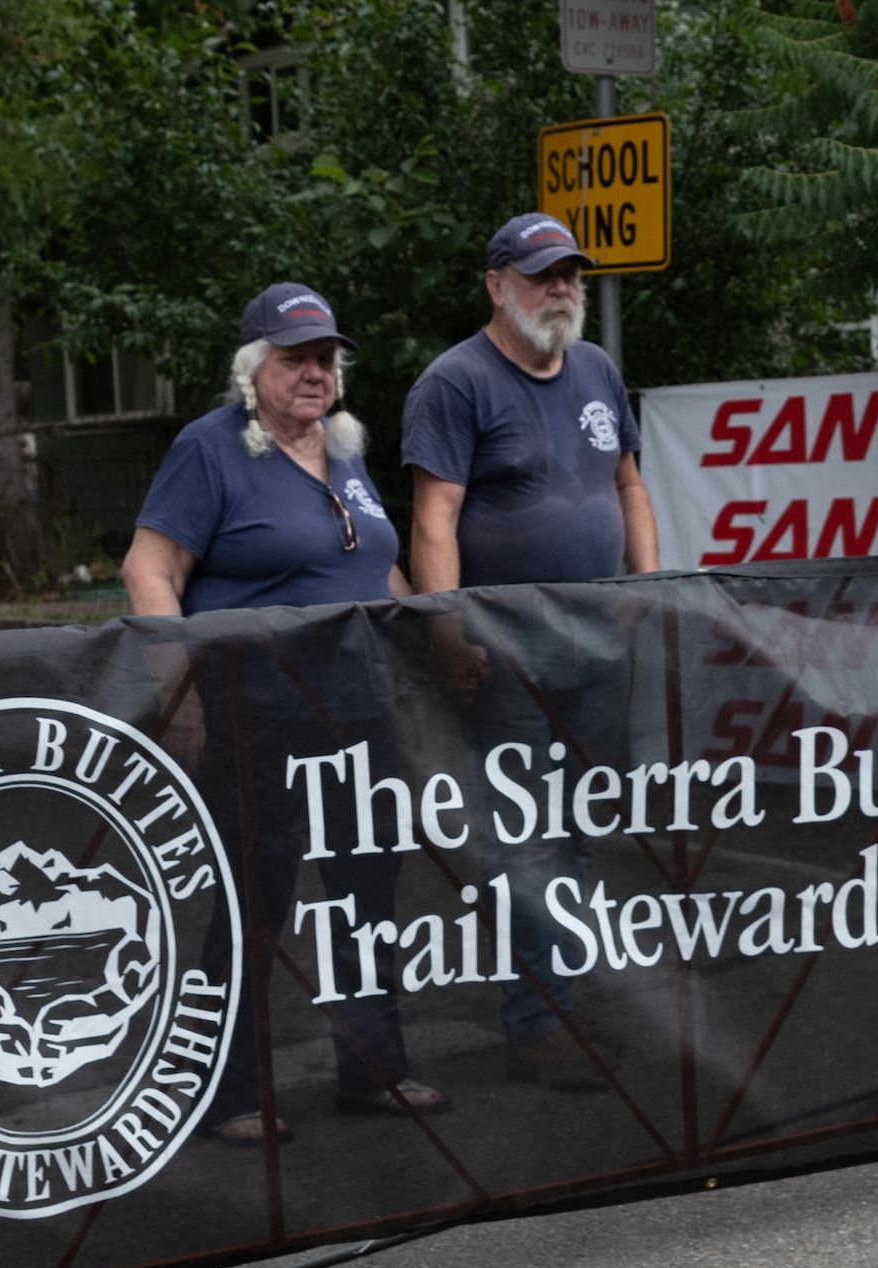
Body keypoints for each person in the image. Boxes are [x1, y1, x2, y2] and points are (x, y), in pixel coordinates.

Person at [123, 281, 446, 1129]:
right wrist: (178, 680)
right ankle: (228, 1095)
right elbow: (150, 570)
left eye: (325, 357)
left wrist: (423, 643)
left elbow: (375, 567)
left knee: (366, 897)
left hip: (358, 709)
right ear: (253, 367)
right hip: (255, 709)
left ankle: (373, 1070)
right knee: (251, 901)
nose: (314, 372)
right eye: (295, 357)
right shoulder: (212, 448)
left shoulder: (344, 446)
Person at [399, 214, 662, 1089]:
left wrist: (646, 589)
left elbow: (628, 483)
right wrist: (446, 629)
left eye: (571, 276)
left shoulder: (594, 369)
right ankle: (534, 1022)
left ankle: (557, 1003)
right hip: (509, 656)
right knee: (524, 840)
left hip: (597, 648)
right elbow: (433, 517)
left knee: (577, 835)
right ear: (496, 283)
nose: (561, 289)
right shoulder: (456, 382)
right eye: (544, 274)